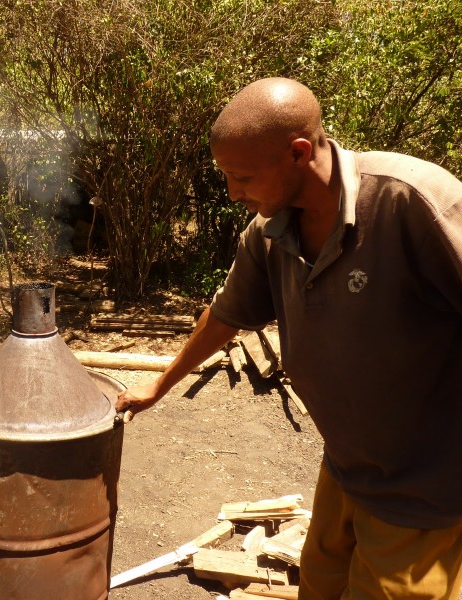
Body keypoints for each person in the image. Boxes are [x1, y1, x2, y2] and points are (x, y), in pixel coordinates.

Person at [116, 77, 462, 599]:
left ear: (298, 153)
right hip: (347, 467)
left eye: (242, 177)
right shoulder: (271, 231)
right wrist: (157, 387)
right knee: (320, 586)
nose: (233, 193)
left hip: (424, 491)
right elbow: (226, 316)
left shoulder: (410, 200)